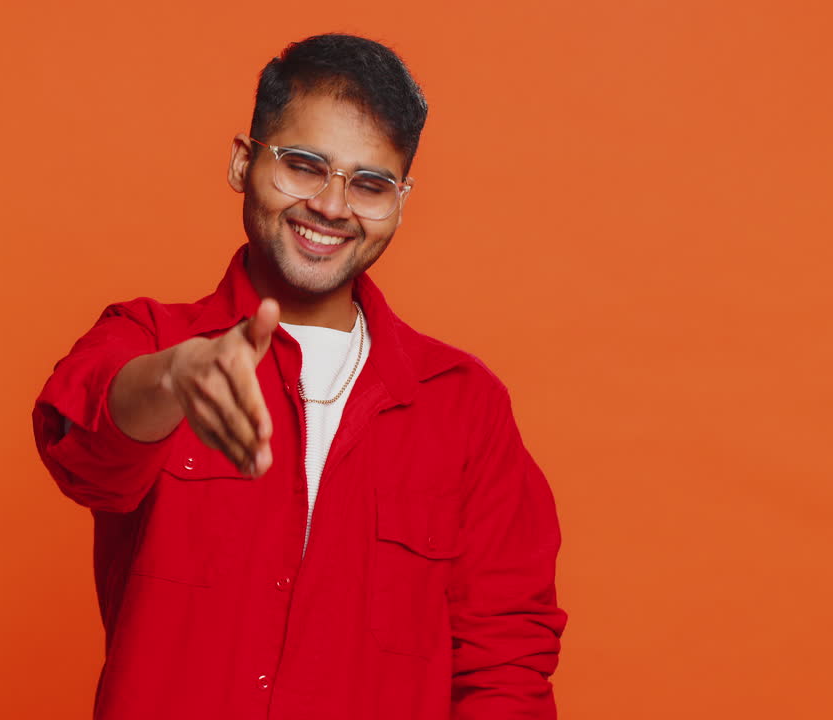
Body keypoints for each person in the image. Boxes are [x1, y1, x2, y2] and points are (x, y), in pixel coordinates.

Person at [33, 33, 566, 719]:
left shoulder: (465, 407)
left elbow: (505, 662)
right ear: (242, 162)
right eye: (306, 166)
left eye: (370, 184)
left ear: (401, 199)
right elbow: (85, 452)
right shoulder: (149, 340)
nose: (333, 206)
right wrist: (175, 378)